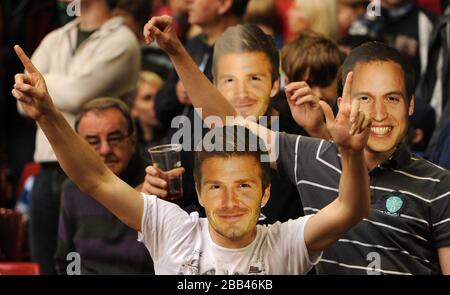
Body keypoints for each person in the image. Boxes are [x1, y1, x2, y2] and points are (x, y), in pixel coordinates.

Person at [12, 44, 371, 275]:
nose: (229, 202)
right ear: (198, 193)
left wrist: (352, 155)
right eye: (216, 187)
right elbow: (95, 179)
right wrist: (47, 114)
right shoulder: (174, 228)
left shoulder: (285, 242)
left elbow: (350, 209)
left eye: (244, 186)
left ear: (265, 195)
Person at [143, 15, 450, 274]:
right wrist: (176, 51)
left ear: (411, 105)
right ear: (343, 103)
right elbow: (226, 124)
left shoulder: (439, 185)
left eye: (393, 99)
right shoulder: (311, 156)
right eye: (364, 99)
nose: (379, 114)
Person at [19, 0, 141, 274]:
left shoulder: (122, 40)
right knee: (46, 266)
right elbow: (21, 98)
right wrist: (54, 88)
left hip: (94, 168)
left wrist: (46, 85)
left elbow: (77, 95)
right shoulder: (56, 36)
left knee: (88, 266)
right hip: (46, 169)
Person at [143, 24, 305, 224]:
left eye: (254, 79)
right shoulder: (194, 132)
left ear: (274, 85)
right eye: (229, 81)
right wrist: (156, 192)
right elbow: (176, 209)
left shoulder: (298, 139)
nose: (241, 93)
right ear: (215, 85)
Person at [54, 98, 153, 275]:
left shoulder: (156, 183)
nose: (105, 150)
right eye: (93, 141)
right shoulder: (72, 188)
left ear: (132, 140)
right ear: (78, 145)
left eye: (114, 139)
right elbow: (66, 260)